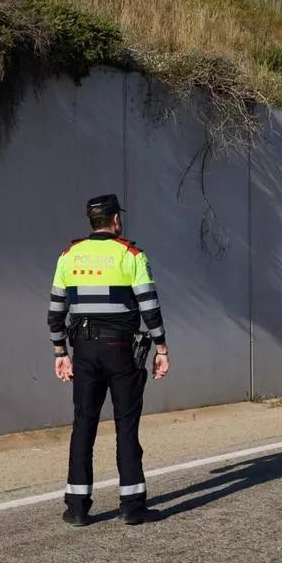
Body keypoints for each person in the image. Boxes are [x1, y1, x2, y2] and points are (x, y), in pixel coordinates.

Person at [48, 194, 170, 526]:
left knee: (83, 424)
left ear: (92, 221)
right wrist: (161, 348)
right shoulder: (131, 255)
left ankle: (77, 507)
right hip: (120, 349)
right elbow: (149, 306)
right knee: (125, 424)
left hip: (83, 350)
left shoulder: (69, 256)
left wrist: (60, 352)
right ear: (116, 220)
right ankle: (132, 506)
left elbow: (56, 312)